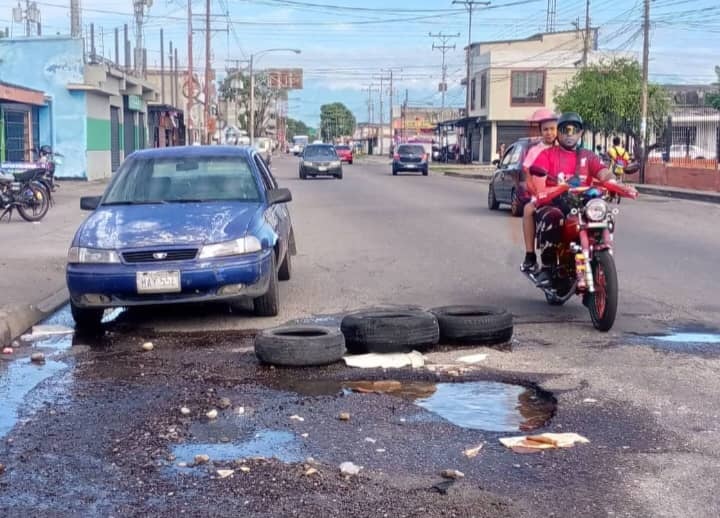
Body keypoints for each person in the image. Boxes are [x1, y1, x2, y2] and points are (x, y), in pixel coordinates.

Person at [520, 112, 618, 274]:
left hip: (583, 203)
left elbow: (603, 172)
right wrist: (543, 190)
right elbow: (537, 175)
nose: (569, 134)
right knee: (552, 216)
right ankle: (547, 266)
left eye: (574, 129)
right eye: (565, 130)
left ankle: (597, 253)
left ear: (580, 133)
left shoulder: (588, 156)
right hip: (555, 201)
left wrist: (613, 182)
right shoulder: (547, 154)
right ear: (559, 132)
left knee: (604, 215)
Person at [520, 109, 558, 263]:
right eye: (545, 129)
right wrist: (536, 192)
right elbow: (528, 177)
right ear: (541, 131)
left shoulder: (565, 149)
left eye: (552, 129)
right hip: (542, 196)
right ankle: (530, 254)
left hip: (565, 195)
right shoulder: (534, 151)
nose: (549, 133)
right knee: (528, 210)